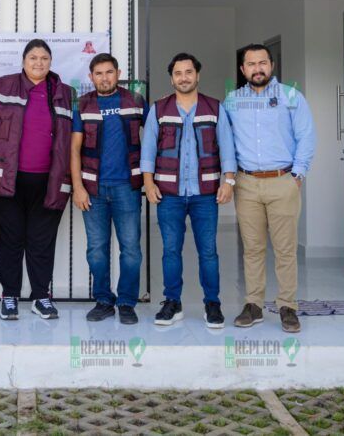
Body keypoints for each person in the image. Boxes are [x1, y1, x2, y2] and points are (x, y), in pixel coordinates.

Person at [218, 44, 316, 334]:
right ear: (243, 69)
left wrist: (296, 176)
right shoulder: (232, 101)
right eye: (251, 64)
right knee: (252, 249)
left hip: (283, 181)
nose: (257, 68)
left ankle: (287, 306)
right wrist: (231, 178)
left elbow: (307, 137)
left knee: (285, 250)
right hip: (246, 184)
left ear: (271, 65)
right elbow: (226, 143)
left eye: (262, 63)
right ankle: (254, 305)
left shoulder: (291, 97)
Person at [0, 39, 76, 321]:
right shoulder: (2, 86)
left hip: (49, 181)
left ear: (51, 61)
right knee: (9, 240)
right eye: (33, 57)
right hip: (6, 180)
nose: (39, 62)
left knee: (41, 241)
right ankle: (9, 296)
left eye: (44, 58)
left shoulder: (65, 93)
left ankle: (41, 297)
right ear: (23, 60)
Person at [141, 53, 231, 328]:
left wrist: (228, 181)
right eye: (178, 73)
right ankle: (172, 302)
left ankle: (212, 304)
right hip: (169, 193)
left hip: (205, 193)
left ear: (197, 75)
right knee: (170, 251)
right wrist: (148, 181)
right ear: (171, 78)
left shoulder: (215, 108)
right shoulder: (158, 109)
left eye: (188, 72)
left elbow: (227, 147)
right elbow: (149, 148)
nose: (184, 77)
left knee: (209, 252)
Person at [70, 53, 145, 325]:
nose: (104, 78)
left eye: (109, 72)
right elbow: (74, 148)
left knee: (131, 249)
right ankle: (103, 300)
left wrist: (149, 179)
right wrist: (78, 187)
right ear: (91, 77)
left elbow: (151, 140)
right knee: (97, 250)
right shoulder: (83, 103)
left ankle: (126, 302)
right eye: (98, 73)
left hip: (128, 187)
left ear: (118, 73)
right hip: (93, 189)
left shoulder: (135, 101)